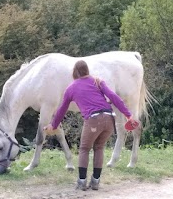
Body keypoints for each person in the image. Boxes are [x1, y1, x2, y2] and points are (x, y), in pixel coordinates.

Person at [44, 60, 138, 191]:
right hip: (109, 119)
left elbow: (61, 110)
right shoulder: (97, 81)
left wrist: (53, 125)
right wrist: (128, 115)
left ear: (74, 73)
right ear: (87, 70)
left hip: (94, 120)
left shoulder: (71, 88)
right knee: (99, 148)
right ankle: (95, 182)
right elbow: (113, 96)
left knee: (84, 149)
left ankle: (82, 182)